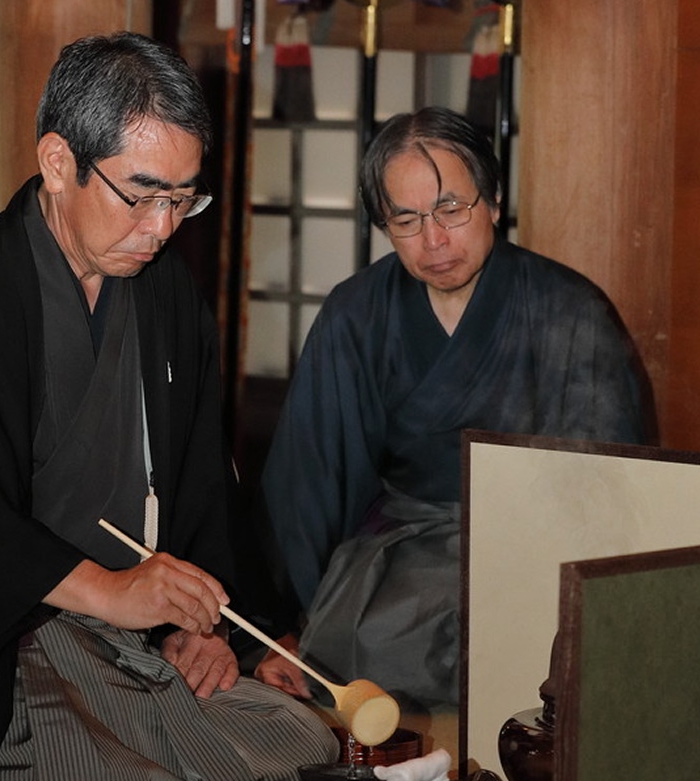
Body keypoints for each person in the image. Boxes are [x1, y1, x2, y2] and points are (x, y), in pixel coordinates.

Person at [0, 32, 339, 781]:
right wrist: (115, 592)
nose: (161, 228)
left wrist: (204, 624)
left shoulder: (165, 295)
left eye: (182, 199)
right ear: (59, 163)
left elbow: (197, 481)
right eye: (142, 194)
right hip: (8, 637)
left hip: (131, 637)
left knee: (299, 738)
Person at [253, 106, 651, 713]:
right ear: (383, 224)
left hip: (533, 559)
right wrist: (281, 628)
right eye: (405, 219)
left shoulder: (572, 312)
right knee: (358, 659)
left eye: (451, 210)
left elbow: (613, 492)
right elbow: (308, 484)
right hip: (403, 557)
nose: (433, 240)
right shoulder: (357, 315)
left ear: (492, 200)